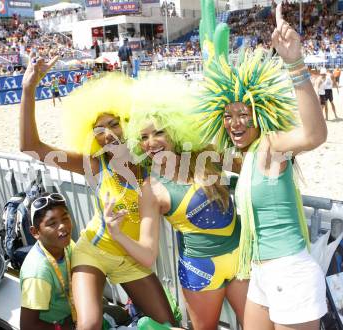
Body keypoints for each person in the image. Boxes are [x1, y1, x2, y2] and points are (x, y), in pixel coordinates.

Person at [20, 56, 175, 330]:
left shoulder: (152, 159)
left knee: (168, 324)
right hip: (93, 252)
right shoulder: (94, 164)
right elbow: (31, 147)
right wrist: (28, 89)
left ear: (129, 121)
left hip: (132, 258)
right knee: (89, 324)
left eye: (114, 124)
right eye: (99, 129)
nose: (109, 134)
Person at [197, 3, 328, 329]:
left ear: (261, 114)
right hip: (260, 273)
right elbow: (195, 158)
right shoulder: (250, 156)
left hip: (290, 273)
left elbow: (314, 134)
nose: (235, 123)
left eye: (244, 114)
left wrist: (294, 64)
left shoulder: (270, 145)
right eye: (228, 116)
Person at [107, 75, 249, 330]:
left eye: (158, 132)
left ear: (174, 129)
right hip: (201, 271)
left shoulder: (207, 155)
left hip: (242, 259)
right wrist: (116, 234)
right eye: (144, 137)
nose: (151, 142)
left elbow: (249, 160)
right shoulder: (150, 190)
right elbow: (148, 255)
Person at [20, 192, 76, 330]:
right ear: (35, 232)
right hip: (57, 325)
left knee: (120, 316)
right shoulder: (38, 272)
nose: (62, 226)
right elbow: (27, 326)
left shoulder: (66, 244)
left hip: (74, 313)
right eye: (52, 223)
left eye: (65, 218)